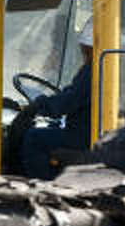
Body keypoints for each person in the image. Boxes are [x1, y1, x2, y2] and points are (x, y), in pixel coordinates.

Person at [20, 18, 95, 179]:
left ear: (88, 48)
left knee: (34, 138)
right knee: (51, 129)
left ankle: (42, 185)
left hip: (83, 135)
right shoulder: (109, 66)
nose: (82, 51)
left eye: (84, 48)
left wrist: (40, 105)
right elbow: (72, 94)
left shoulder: (92, 71)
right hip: (92, 130)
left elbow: (67, 103)